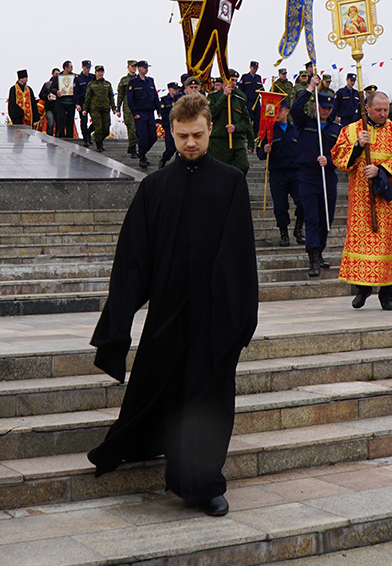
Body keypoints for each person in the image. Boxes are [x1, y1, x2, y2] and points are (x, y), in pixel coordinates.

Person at [88, 92, 258, 517]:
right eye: (182, 136)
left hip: (212, 316)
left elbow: (240, 256)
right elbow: (132, 259)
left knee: (206, 396)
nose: (190, 144)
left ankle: (203, 485)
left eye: (198, 135)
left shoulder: (231, 182)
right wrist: (118, 323)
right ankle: (148, 446)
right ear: (171, 131)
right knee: (161, 387)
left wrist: (238, 321)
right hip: (167, 313)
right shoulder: (155, 187)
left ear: (210, 128)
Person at [334, 90, 392, 309]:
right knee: (362, 244)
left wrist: (380, 170)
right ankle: (362, 289)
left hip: (386, 199)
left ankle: (387, 295)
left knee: (386, 245)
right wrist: (358, 147)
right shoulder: (352, 131)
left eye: (386, 110)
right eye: (378, 109)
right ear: (367, 108)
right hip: (361, 199)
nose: (382, 114)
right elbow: (340, 159)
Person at [293, 78, 341, 275]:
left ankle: (319, 251)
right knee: (311, 218)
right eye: (323, 107)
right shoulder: (306, 122)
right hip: (308, 176)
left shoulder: (335, 129)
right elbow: (295, 109)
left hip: (328, 177)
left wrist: (328, 161)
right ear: (315, 106)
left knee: (325, 218)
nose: (326, 111)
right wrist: (310, 88)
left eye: (329, 108)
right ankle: (312, 257)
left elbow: (342, 156)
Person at [257, 101, 305, 250]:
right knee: (280, 206)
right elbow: (259, 154)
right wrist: (265, 150)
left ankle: (298, 229)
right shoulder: (269, 130)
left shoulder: (296, 129)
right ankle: (283, 233)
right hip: (277, 173)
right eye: (275, 111)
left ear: (287, 111)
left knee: (303, 201)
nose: (277, 114)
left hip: (296, 172)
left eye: (281, 110)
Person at [207, 70, 253, 176]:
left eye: (236, 81)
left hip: (237, 139)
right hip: (220, 140)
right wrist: (224, 96)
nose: (234, 83)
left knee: (243, 166)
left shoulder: (241, 97)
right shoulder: (213, 96)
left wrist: (236, 127)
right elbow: (210, 114)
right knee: (219, 170)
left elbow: (246, 120)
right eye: (231, 80)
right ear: (224, 80)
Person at [127, 61, 159, 168]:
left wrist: (159, 110)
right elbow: (130, 99)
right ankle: (142, 156)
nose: (146, 69)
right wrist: (134, 113)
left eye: (147, 67)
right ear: (139, 68)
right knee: (143, 136)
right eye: (144, 67)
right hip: (140, 113)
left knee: (153, 136)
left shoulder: (150, 81)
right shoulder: (133, 82)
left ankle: (143, 152)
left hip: (150, 112)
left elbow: (155, 96)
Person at [83, 65, 115, 151]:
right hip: (95, 108)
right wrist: (85, 109)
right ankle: (99, 144)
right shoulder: (91, 84)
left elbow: (111, 96)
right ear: (95, 73)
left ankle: (98, 138)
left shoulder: (107, 84)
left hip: (105, 108)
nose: (100, 73)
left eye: (101, 72)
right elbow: (88, 97)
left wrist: (114, 107)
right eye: (98, 72)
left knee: (106, 128)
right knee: (98, 127)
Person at [157, 81, 182, 168]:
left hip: (179, 126)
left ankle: (177, 164)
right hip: (169, 126)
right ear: (169, 90)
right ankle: (164, 159)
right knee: (170, 148)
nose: (176, 91)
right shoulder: (164, 100)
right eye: (174, 89)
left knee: (180, 147)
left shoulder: (180, 99)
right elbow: (164, 113)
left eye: (177, 89)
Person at [116, 60, 138, 156]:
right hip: (128, 106)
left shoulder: (139, 79)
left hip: (138, 106)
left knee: (138, 129)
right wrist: (118, 108)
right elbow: (120, 95)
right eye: (132, 66)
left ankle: (133, 146)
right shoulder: (124, 80)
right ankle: (132, 148)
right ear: (128, 67)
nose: (134, 68)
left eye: (135, 66)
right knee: (131, 127)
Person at [75, 60, 96, 146]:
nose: (88, 69)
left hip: (92, 102)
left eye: (89, 67)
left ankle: (88, 133)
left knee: (96, 120)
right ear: (82, 67)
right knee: (84, 121)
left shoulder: (93, 77)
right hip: (82, 102)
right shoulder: (78, 79)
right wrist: (77, 104)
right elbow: (76, 92)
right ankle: (85, 138)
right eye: (86, 67)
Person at [55, 61, 78, 138]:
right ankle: (61, 135)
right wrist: (56, 91)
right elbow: (52, 88)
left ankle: (70, 136)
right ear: (65, 67)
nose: (72, 68)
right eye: (70, 67)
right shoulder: (58, 77)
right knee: (61, 119)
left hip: (71, 102)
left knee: (70, 121)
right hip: (61, 102)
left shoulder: (74, 77)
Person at [240, 61, 264, 130]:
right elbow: (240, 89)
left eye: (256, 68)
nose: (255, 70)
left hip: (256, 101)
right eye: (254, 68)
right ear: (250, 67)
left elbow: (262, 89)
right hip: (248, 101)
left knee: (257, 119)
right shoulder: (245, 77)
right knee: (249, 118)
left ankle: (255, 135)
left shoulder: (258, 78)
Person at [39, 68, 63, 136]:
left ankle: (58, 140)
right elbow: (41, 95)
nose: (57, 76)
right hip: (49, 108)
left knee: (59, 125)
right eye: (56, 74)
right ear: (52, 74)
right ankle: (49, 139)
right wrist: (47, 96)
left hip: (59, 107)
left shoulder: (61, 85)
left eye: (58, 74)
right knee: (50, 123)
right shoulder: (47, 85)